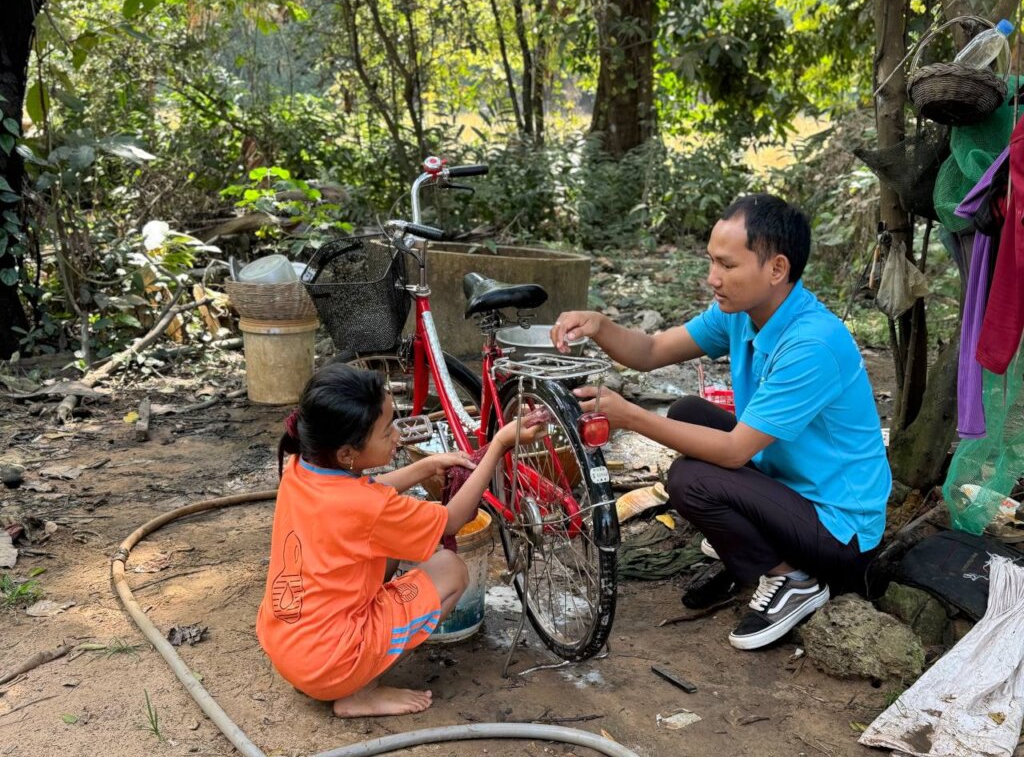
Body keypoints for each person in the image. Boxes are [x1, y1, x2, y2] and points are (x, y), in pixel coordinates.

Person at [551, 193, 891, 651]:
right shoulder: (742, 314)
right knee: (688, 411)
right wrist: (599, 324)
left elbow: (734, 452)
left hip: (840, 530)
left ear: (776, 269)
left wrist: (628, 416)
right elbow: (651, 352)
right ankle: (750, 554)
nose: (713, 278)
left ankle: (792, 581)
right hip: (790, 487)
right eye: (712, 262)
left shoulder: (813, 344)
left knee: (690, 480)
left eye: (727, 266)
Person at [256, 363, 540, 716]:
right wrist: (499, 445)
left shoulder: (300, 469)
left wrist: (426, 465)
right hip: (331, 663)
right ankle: (361, 689)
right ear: (347, 454)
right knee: (450, 569)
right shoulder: (371, 509)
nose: (397, 435)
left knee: (383, 551)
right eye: (387, 429)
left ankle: (339, 673)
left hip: (289, 647)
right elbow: (452, 520)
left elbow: (365, 496)